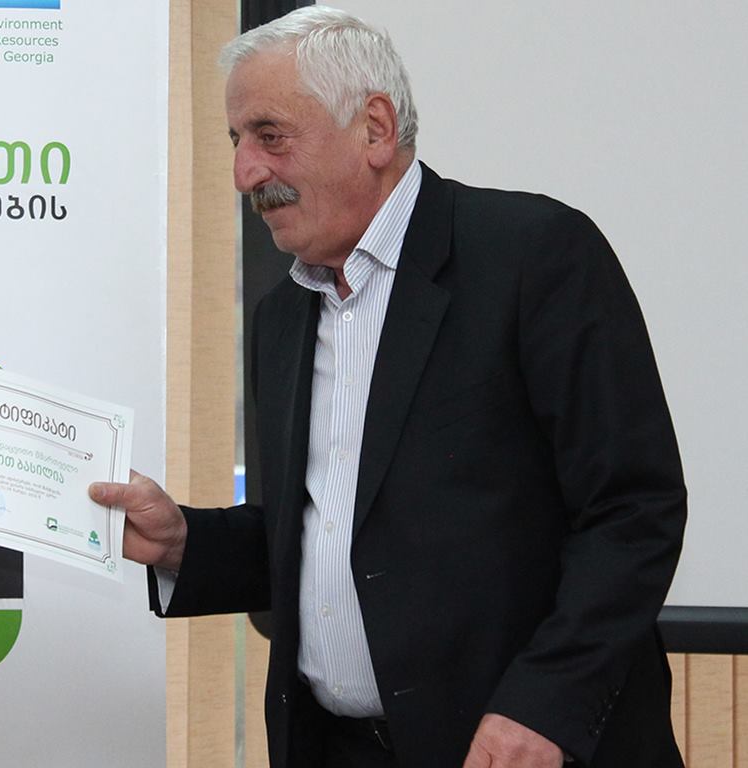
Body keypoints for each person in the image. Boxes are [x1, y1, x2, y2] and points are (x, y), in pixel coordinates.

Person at [90, 7, 685, 768]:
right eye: (236, 141)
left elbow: (632, 511)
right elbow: (327, 531)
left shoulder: (534, 256)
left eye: (269, 135)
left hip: (518, 748)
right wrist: (185, 543)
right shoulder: (282, 316)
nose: (245, 172)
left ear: (374, 129)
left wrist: (544, 706)